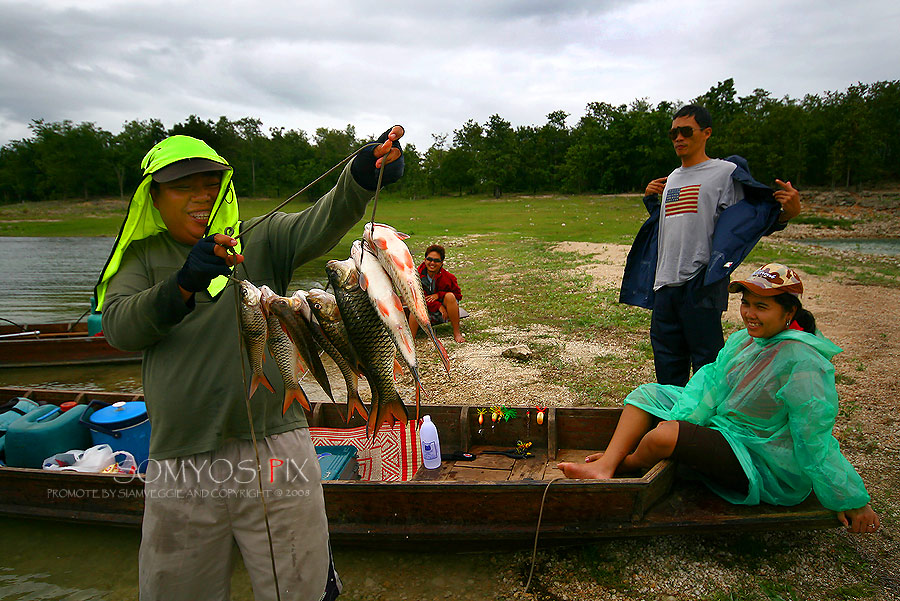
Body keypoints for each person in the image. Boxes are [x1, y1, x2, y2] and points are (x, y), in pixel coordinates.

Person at [95, 126, 404, 600]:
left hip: (278, 446)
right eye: (183, 186)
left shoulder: (258, 239)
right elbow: (120, 328)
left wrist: (361, 176)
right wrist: (182, 283)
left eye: (210, 183)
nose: (201, 195)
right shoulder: (142, 257)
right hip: (181, 458)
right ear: (154, 197)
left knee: (300, 586)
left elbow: (322, 219)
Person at [561, 263, 880, 534]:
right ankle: (605, 464)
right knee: (647, 394)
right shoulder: (746, 340)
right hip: (726, 427)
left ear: (789, 312)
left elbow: (814, 438)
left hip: (761, 457)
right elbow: (711, 383)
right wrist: (684, 421)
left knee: (665, 436)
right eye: (747, 303)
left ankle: (626, 464)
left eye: (762, 306)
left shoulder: (804, 362)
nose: (750, 314)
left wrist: (851, 500)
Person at [620, 104, 802, 386]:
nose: (678, 138)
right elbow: (676, 225)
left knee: (707, 364)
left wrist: (788, 213)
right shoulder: (672, 178)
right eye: (673, 133)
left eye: (685, 131)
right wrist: (651, 202)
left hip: (701, 282)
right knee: (667, 365)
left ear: (706, 133)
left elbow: (749, 220)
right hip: (664, 285)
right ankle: (672, 424)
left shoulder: (724, 172)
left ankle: (705, 427)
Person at [408, 243, 465, 343]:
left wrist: (439, 295)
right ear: (425, 260)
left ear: (442, 263)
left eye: (436, 260)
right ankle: (411, 341)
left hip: (443, 313)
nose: (432, 263)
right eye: (429, 259)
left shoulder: (448, 277)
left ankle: (457, 332)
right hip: (425, 310)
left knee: (450, 296)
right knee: (415, 307)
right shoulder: (416, 277)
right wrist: (438, 305)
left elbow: (458, 295)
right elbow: (417, 297)